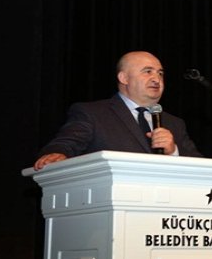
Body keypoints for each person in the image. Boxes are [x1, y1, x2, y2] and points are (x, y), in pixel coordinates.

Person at [33, 51, 202, 170]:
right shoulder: (94, 114)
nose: (156, 79)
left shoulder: (175, 123)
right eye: (147, 71)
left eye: (160, 73)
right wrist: (56, 154)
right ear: (124, 78)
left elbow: (201, 166)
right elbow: (65, 144)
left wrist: (173, 152)